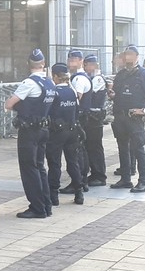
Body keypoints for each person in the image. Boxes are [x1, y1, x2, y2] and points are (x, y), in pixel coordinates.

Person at [5, 49, 56, 219]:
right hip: (43, 129)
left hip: (29, 131)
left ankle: (37, 207)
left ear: (29, 64)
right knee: (40, 167)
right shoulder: (50, 83)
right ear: (43, 64)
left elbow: (9, 104)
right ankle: (46, 205)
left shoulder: (29, 83)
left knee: (29, 168)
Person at [109, 44, 145, 193]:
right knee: (122, 149)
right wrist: (113, 95)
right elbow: (117, 93)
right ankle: (125, 179)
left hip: (134, 118)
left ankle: (143, 182)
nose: (128, 57)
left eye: (132, 55)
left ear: (137, 57)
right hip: (120, 117)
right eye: (126, 55)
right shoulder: (121, 74)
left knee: (138, 149)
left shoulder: (143, 74)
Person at [46, 62, 84, 206]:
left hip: (56, 132)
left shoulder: (54, 92)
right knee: (72, 162)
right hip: (72, 130)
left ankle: (53, 196)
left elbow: (48, 112)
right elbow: (76, 110)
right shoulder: (72, 91)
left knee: (55, 164)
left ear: (55, 76)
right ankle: (79, 192)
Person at [60, 49, 90, 195]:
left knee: (77, 152)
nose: (70, 63)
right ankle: (80, 181)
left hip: (80, 119)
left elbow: (75, 99)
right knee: (79, 151)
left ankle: (79, 181)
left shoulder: (78, 79)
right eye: (69, 60)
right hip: (79, 119)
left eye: (74, 60)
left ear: (80, 61)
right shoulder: (75, 77)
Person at [81, 54, 109, 186]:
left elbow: (89, 95)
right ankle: (94, 174)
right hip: (91, 117)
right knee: (89, 147)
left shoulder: (97, 79)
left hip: (95, 117)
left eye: (88, 64)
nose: (86, 67)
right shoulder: (90, 78)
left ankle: (99, 175)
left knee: (94, 147)